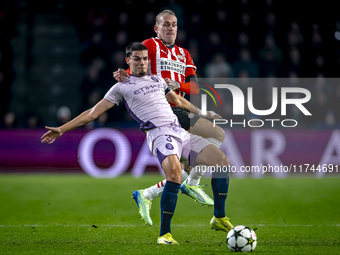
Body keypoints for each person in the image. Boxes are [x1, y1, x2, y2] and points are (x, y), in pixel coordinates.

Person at [41, 42, 233, 245]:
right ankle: (164, 235)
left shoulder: (157, 79)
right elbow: (92, 113)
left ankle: (219, 218)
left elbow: (178, 101)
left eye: (144, 59)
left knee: (221, 161)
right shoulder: (120, 87)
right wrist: (62, 129)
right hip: (159, 134)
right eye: (136, 59)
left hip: (179, 130)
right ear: (128, 61)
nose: (141, 63)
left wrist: (203, 113)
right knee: (175, 176)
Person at [113, 9, 226, 226]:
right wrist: (123, 74)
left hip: (181, 108)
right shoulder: (150, 45)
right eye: (165, 24)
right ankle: (193, 182)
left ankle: (147, 194)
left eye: (173, 24)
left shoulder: (184, 54)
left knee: (181, 171)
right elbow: (134, 67)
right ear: (157, 28)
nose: (170, 28)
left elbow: (193, 87)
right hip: (163, 109)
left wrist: (178, 85)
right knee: (214, 135)